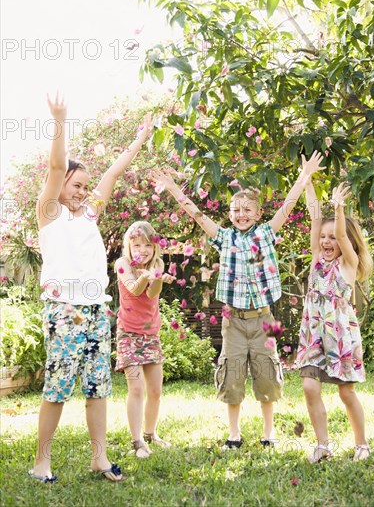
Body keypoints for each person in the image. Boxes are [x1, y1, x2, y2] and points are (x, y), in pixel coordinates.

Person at [151, 152, 325, 449]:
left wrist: (304, 176)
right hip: (233, 320)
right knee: (232, 375)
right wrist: (172, 188)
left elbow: (289, 205)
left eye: (247, 210)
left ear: (258, 214)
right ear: (230, 214)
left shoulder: (267, 233)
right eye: (235, 209)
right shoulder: (224, 237)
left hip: (266, 318)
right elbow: (196, 214)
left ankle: (268, 433)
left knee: (267, 374)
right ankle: (234, 434)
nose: (240, 214)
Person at [30, 93, 152, 483]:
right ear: (61, 183)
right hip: (65, 309)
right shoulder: (50, 214)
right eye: (76, 185)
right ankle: (41, 461)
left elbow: (112, 175)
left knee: (98, 387)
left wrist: (138, 142)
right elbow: (54, 165)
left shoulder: (89, 216)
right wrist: (61, 119)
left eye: (86, 187)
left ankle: (99, 458)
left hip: (97, 309)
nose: (83, 192)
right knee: (57, 387)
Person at [297, 181, 373, 463]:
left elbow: (341, 233)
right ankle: (323, 445)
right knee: (309, 386)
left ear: (347, 243)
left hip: (341, 337)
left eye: (333, 238)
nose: (327, 241)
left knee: (346, 392)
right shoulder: (317, 259)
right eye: (323, 237)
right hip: (313, 333)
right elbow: (315, 216)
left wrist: (339, 208)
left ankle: (362, 444)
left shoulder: (347, 264)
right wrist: (307, 180)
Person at [114, 220, 174, 458]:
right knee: (136, 387)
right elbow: (135, 290)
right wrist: (146, 276)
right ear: (128, 246)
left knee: (155, 390)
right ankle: (137, 441)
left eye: (147, 245)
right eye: (136, 244)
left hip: (151, 334)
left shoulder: (157, 263)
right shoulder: (122, 264)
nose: (142, 249)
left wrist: (158, 277)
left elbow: (151, 293)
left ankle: (150, 434)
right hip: (128, 333)